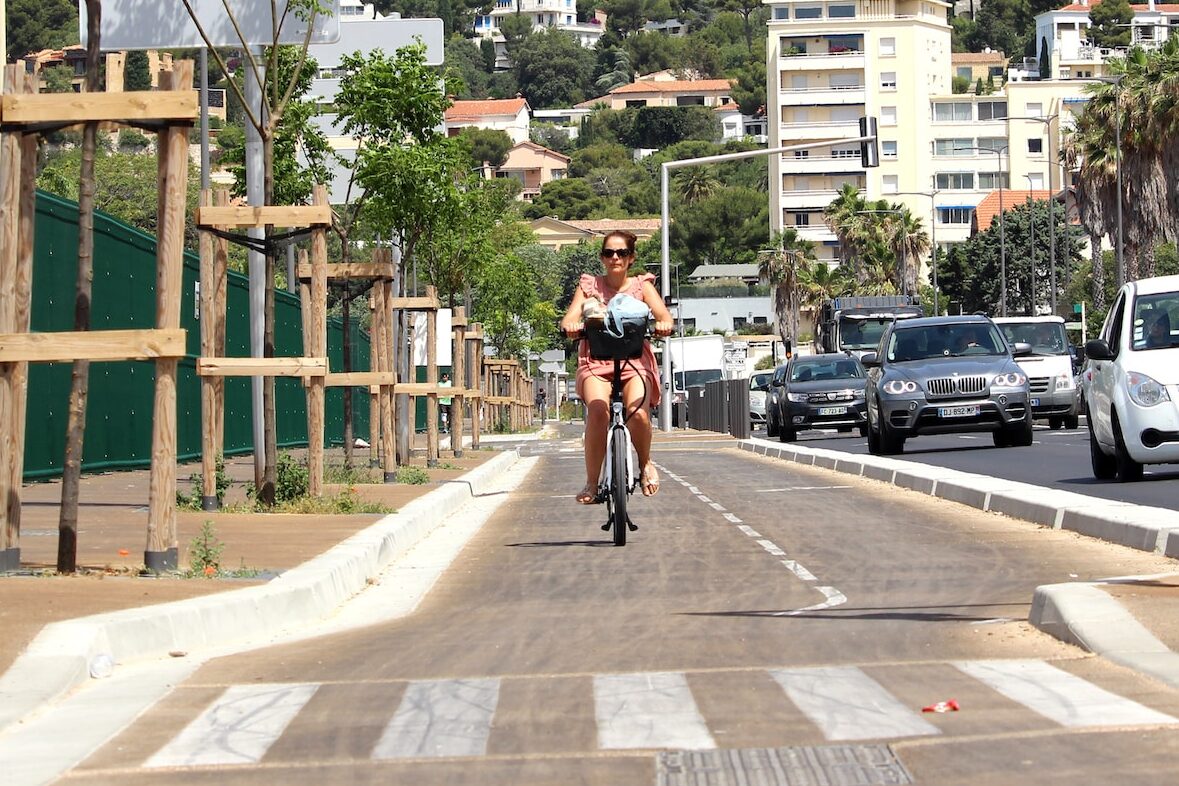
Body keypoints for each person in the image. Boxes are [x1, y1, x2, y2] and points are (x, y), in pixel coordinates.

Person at [560, 230, 674, 504]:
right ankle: (591, 482)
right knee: (598, 412)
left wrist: (663, 325)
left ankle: (645, 463)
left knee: (638, 414)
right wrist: (572, 326)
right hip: (596, 360)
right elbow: (569, 318)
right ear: (602, 257)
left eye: (621, 253)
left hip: (635, 360)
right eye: (609, 252)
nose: (615, 258)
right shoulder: (589, 287)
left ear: (631, 257)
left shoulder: (642, 286)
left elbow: (663, 316)